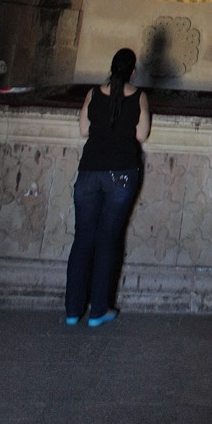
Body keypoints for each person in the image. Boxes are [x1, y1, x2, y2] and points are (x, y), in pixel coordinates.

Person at [65, 47, 150, 328]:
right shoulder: (139, 96)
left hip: (89, 171)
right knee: (107, 239)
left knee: (82, 239)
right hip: (121, 174)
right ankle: (98, 310)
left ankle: (73, 311)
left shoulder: (92, 94)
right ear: (133, 71)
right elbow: (141, 134)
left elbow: (83, 130)